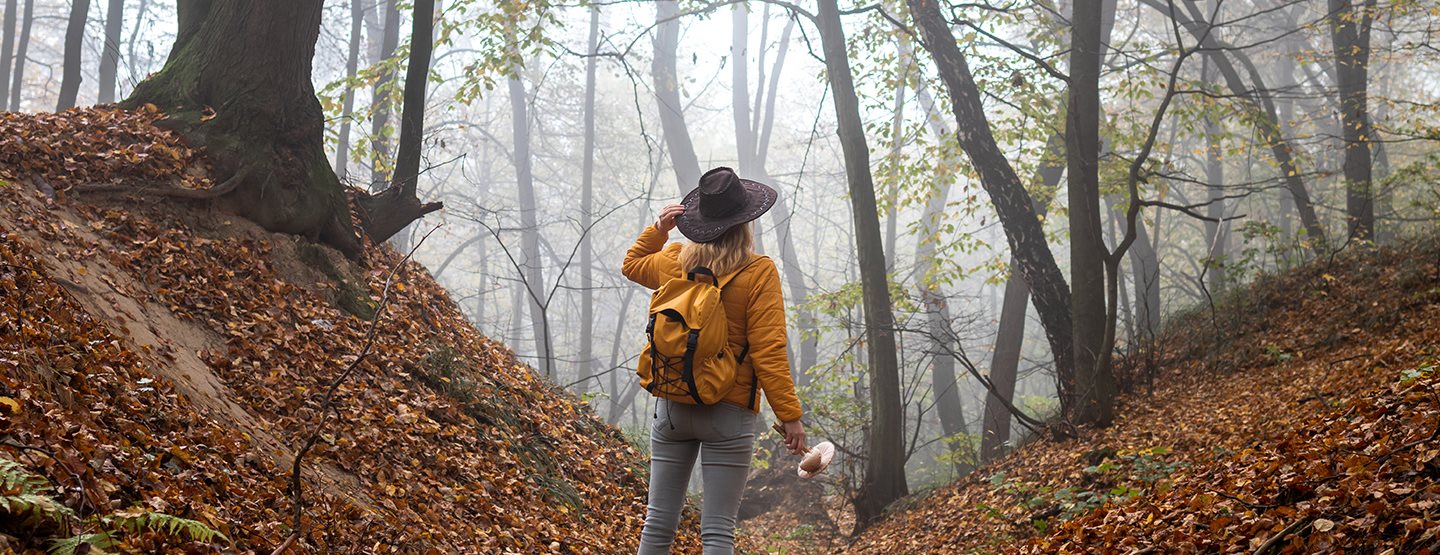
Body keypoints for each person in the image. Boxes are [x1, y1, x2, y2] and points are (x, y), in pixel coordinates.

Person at [622, 167, 807, 555]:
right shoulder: (758, 272)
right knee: (718, 531)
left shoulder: (674, 259)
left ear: (698, 221)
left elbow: (632, 264)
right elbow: (768, 349)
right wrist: (789, 415)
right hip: (729, 410)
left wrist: (659, 228)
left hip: (672, 404)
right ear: (744, 223)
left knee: (658, 522)